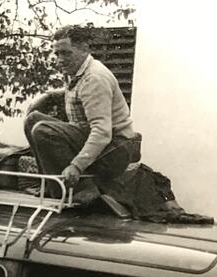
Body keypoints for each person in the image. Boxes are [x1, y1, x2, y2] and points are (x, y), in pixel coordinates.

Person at [24, 25, 142, 200]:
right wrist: (50, 96)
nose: (60, 60)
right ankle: (52, 184)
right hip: (99, 142)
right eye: (57, 54)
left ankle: (80, 190)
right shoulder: (78, 71)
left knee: (43, 130)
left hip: (114, 150)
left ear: (84, 49)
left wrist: (76, 166)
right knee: (32, 120)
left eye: (66, 53)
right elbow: (80, 93)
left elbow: (102, 132)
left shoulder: (94, 78)